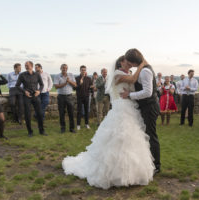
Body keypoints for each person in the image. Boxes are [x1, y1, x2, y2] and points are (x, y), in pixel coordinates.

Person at [63, 55, 154, 189]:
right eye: (127, 61)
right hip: (121, 107)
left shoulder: (128, 73)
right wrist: (142, 64)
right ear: (120, 63)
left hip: (130, 106)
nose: (129, 63)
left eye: (130, 61)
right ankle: (114, 172)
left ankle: (131, 172)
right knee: (118, 136)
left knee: (131, 138)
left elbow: (133, 86)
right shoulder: (117, 74)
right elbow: (133, 80)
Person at [121, 48, 161, 174]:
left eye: (129, 62)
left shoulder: (145, 72)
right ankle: (148, 162)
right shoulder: (143, 69)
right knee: (146, 135)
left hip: (150, 107)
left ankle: (156, 166)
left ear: (133, 62)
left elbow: (147, 92)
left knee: (151, 136)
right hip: (146, 107)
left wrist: (129, 95)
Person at [15, 61, 46, 137]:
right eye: (25, 65)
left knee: (39, 114)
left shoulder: (37, 74)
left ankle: (41, 131)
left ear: (31, 66)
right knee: (27, 115)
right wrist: (24, 91)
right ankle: (30, 132)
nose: (26, 66)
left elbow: (42, 84)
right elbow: (17, 85)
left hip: (35, 96)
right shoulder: (22, 75)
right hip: (26, 96)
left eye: (27, 65)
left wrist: (39, 91)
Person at [54, 64, 77, 133]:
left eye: (66, 68)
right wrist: (65, 83)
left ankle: (72, 128)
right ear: (60, 68)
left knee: (71, 113)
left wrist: (69, 81)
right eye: (63, 68)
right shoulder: (57, 76)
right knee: (61, 113)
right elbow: (56, 86)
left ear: (67, 69)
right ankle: (63, 128)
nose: (64, 69)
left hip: (69, 96)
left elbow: (75, 84)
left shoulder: (71, 75)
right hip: (61, 96)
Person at [75, 65, 92, 130]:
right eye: (82, 70)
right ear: (80, 70)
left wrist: (92, 88)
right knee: (79, 111)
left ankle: (86, 124)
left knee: (86, 111)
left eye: (84, 70)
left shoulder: (88, 78)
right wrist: (80, 84)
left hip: (87, 97)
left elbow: (90, 87)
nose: (83, 71)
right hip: (79, 97)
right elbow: (74, 88)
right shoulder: (76, 78)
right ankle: (78, 124)